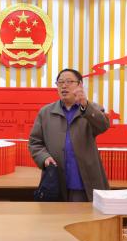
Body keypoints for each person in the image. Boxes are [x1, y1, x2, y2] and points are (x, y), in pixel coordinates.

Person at [28, 68, 110, 202]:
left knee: (83, 215)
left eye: (69, 82)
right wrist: (44, 157)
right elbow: (35, 142)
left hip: (83, 182)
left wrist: (85, 105)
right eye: (60, 82)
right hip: (56, 181)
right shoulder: (46, 112)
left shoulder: (92, 109)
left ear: (80, 85)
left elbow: (103, 126)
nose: (64, 86)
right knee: (55, 215)